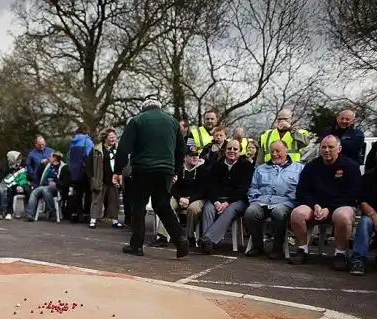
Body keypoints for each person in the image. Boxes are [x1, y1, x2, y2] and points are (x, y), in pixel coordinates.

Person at [113, 97, 189, 258]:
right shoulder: (173, 122)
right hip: (165, 170)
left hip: (143, 169)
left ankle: (137, 246)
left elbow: (123, 148)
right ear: (159, 107)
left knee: (138, 206)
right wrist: (175, 170)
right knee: (163, 205)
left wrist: (118, 171)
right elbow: (181, 150)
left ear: (144, 108)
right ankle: (180, 239)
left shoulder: (137, 120)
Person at [289, 135, 361, 268]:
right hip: (315, 206)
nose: (327, 150)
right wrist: (315, 205)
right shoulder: (311, 166)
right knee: (297, 214)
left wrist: (329, 208)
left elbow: (352, 194)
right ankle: (302, 249)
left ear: (339, 149)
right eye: (324, 147)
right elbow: (302, 192)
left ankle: (340, 253)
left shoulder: (351, 166)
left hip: (341, 205)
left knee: (342, 216)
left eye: (331, 147)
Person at [243, 140, 304, 259]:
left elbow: (301, 190)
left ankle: (277, 248)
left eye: (278, 151)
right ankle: (257, 245)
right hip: (262, 201)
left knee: (278, 213)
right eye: (272, 151)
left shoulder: (299, 169)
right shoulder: (260, 168)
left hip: (285, 202)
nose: (274, 154)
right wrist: (254, 199)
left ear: (286, 151)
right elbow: (253, 188)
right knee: (251, 212)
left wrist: (291, 199)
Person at [199, 139, 254, 255]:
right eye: (229, 148)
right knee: (208, 208)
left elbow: (243, 189)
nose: (232, 151)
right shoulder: (216, 165)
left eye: (235, 149)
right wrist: (215, 201)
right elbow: (211, 186)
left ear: (240, 151)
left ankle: (207, 239)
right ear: (225, 150)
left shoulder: (246, 166)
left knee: (229, 210)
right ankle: (209, 244)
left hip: (237, 200)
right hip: (217, 198)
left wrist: (228, 202)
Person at [349, 145, 377, 275]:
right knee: (364, 223)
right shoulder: (368, 176)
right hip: (372, 216)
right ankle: (358, 260)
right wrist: (375, 216)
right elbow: (362, 200)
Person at [86, 127, 122, 229]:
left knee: (114, 200)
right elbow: (89, 165)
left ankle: (115, 220)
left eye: (114, 137)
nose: (113, 139)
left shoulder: (118, 149)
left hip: (114, 179)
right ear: (105, 138)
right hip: (100, 179)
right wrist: (92, 178)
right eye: (111, 137)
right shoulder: (96, 149)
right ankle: (93, 220)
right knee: (97, 200)